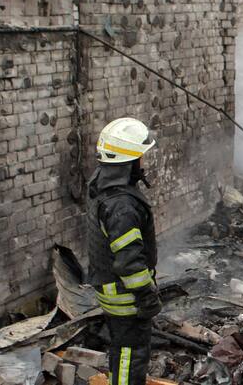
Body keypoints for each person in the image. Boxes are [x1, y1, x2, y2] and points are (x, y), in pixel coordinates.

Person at [87, 117, 160, 385]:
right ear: (130, 160)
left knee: (121, 349)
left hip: (108, 287)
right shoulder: (122, 206)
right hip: (125, 294)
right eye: (141, 155)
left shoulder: (104, 187)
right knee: (132, 353)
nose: (144, 160)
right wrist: (146, 296)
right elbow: (129, 261)